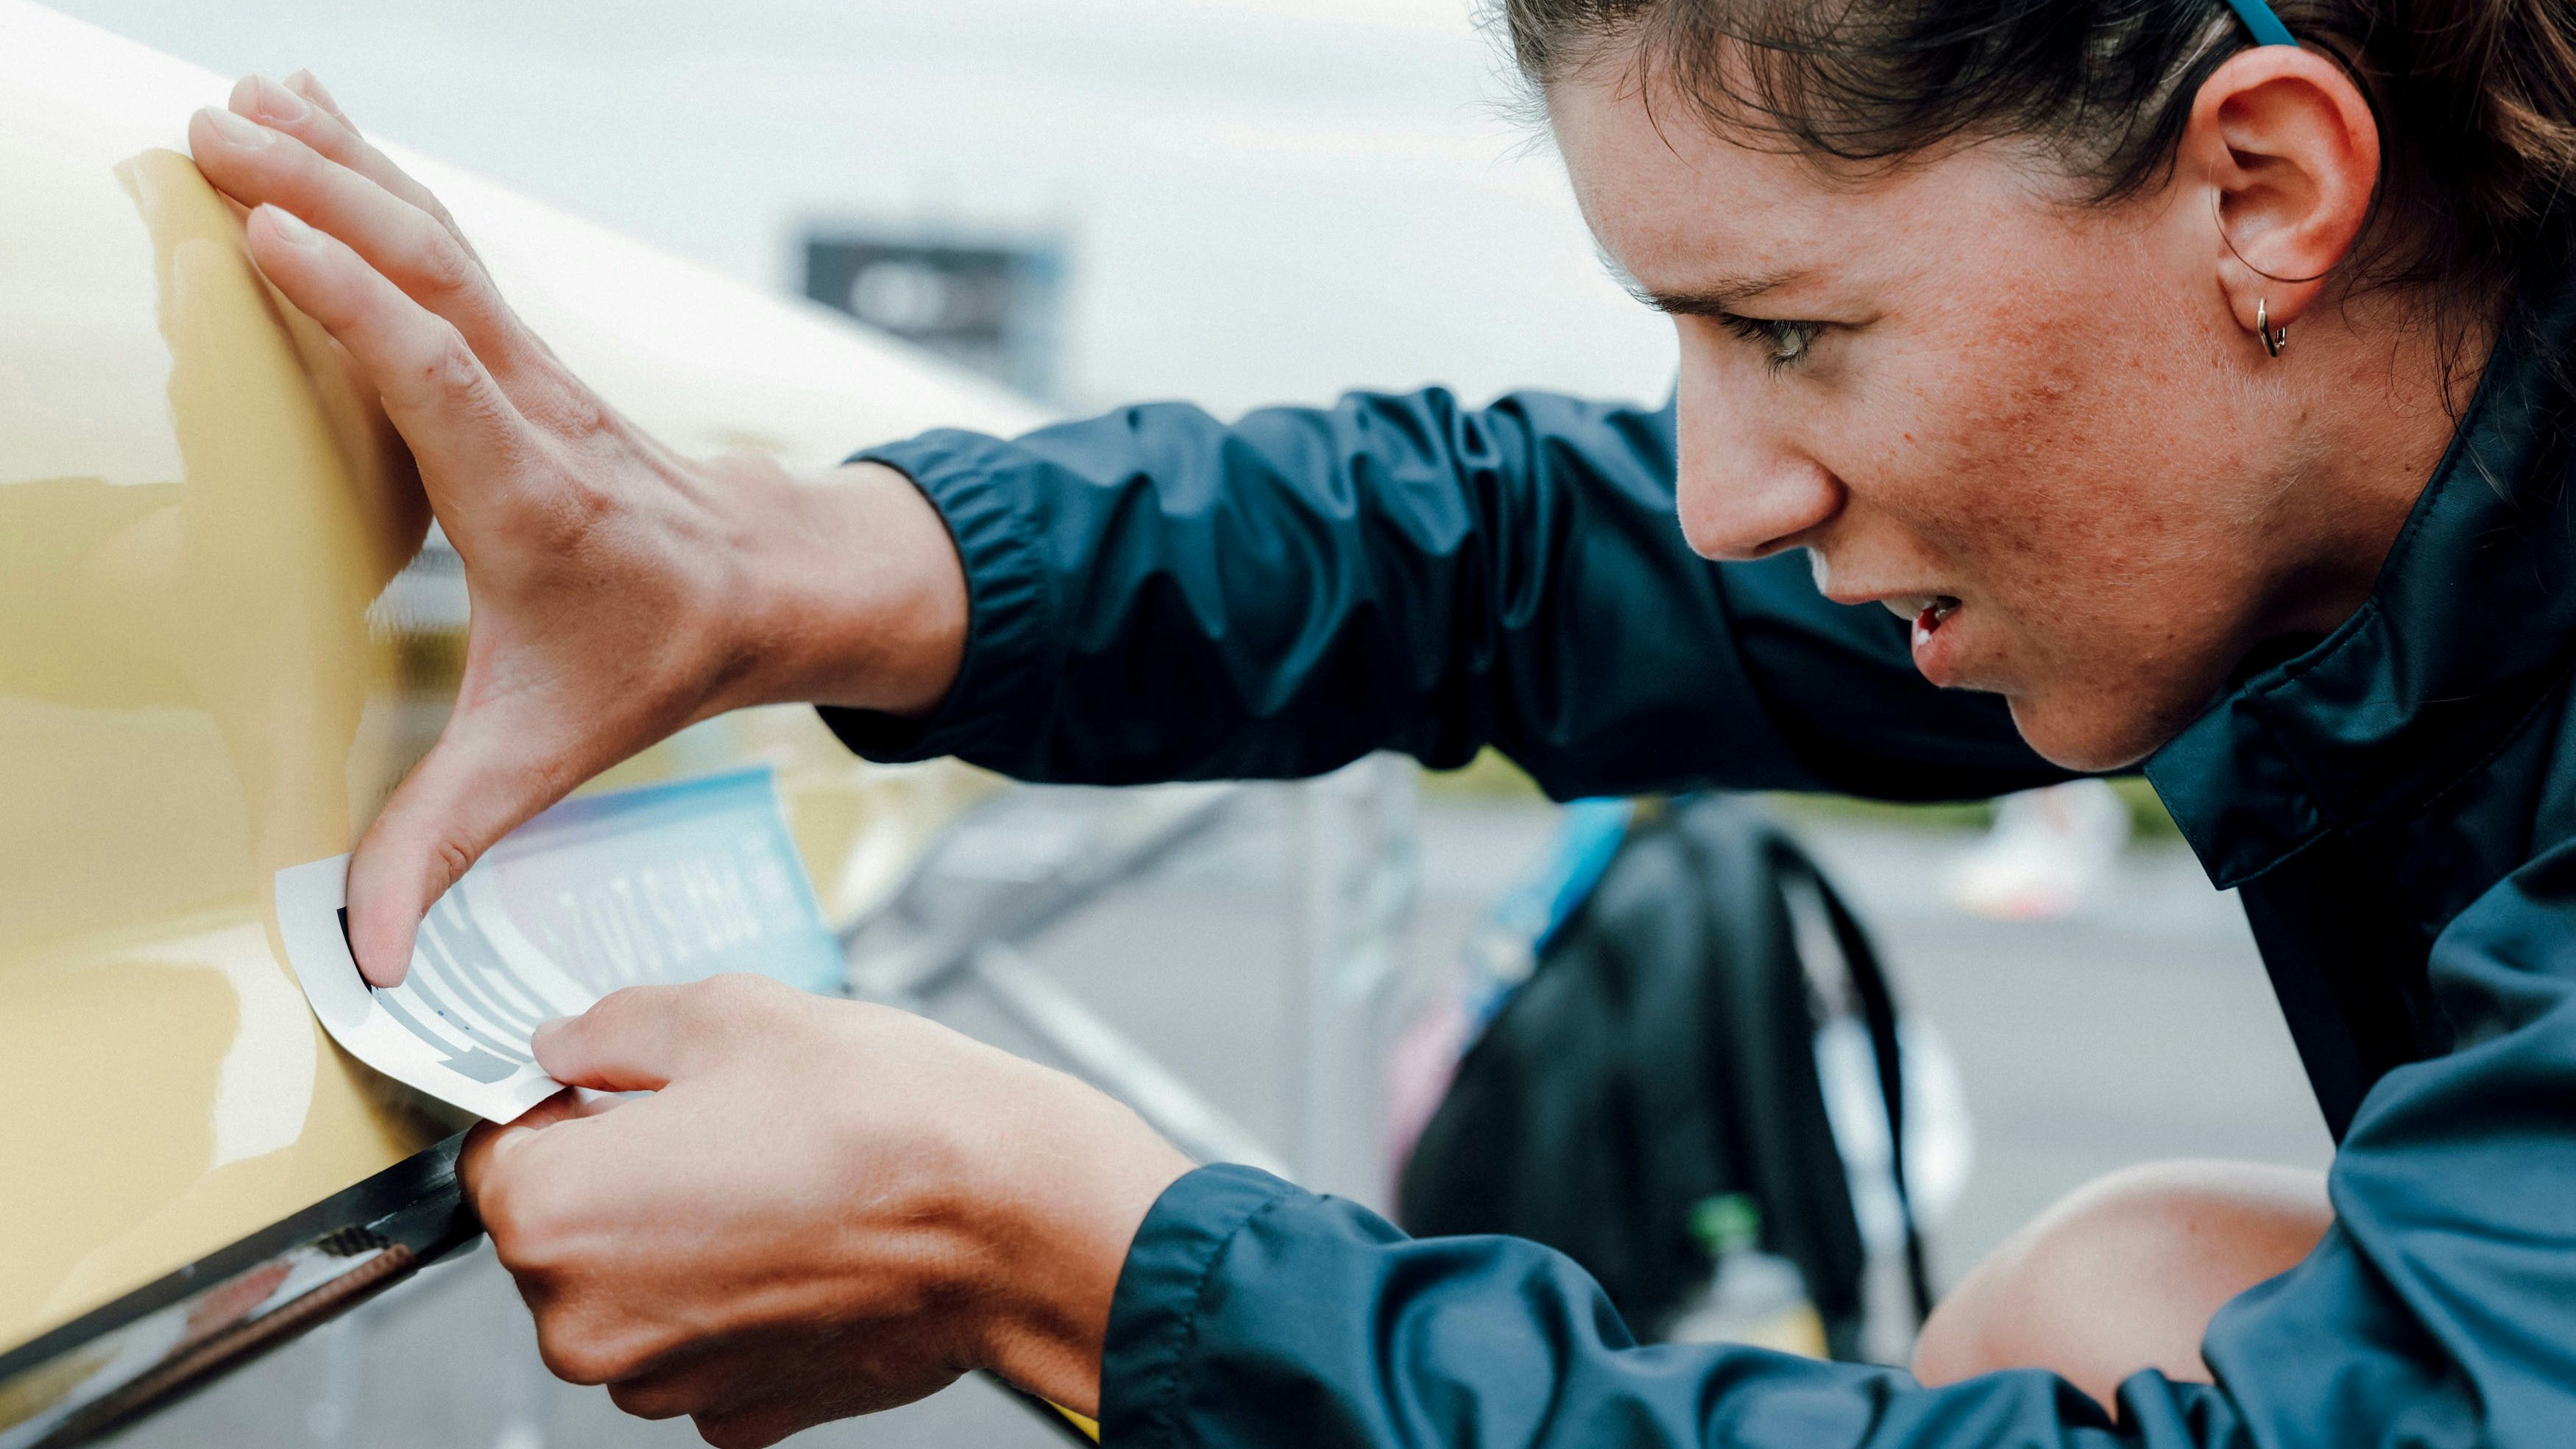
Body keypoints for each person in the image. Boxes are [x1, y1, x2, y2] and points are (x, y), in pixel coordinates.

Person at [180, 0, 2576, 1434]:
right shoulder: (2328, 463)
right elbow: (1522, 552)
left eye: (1793, 332)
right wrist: (778, 568)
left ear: (2264, 187)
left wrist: (1066, 1255)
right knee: (2124, 1288)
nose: (1728, 493)